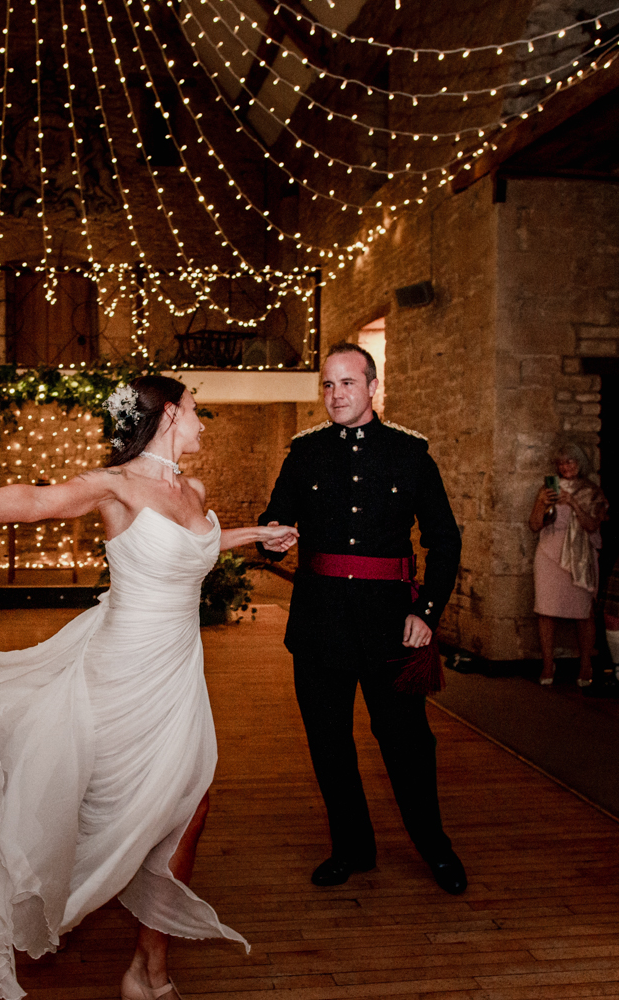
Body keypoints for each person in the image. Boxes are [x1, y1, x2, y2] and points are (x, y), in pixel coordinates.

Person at [0, 375, 297, 1000]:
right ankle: (49, 906)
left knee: (189, 806)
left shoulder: (194, 491)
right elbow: (38, 501)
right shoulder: (116, 485)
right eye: (195, 410)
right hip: (121, 672)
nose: (201, 422)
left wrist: (255, 535)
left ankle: (148, 969)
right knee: (94, 806)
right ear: (169, 414)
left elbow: (195, 545)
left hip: (179, 674)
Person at [257, 342, 466, 895]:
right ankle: (352, 847)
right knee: (329, 743)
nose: (336, 394)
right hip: (319, 623)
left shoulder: (409, 453)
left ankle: (435, 847)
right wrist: (271, 537)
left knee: (407, 742)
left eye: (347, 383)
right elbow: (274, 518)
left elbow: (444, 541)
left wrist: (426, 612)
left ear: (373, 387)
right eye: (328, 384)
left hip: (390, 625)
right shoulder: (305, 453)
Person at [528, 442, 608, 687]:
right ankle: (547, 664)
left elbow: (592, 525)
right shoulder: (548, 488)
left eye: (570, 461)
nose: (565, 467)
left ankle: (585, 664)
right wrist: (541, 502)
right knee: (546, 610)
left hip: (579, 556)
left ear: (579, 463)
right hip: (549, 553)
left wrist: (572, 502)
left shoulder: (591, 490)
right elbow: (534, 524)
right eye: (561, 463)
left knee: (583, 612)